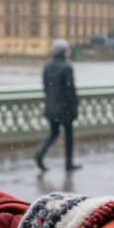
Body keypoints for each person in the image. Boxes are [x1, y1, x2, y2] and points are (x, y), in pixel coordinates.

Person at [35, 39, 81, 172]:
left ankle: (40, 152)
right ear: (64, 52)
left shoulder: (47, 66)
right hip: (65, 109)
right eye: (68, 50)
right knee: (69, 135)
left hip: (51, 107)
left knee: (53, 133)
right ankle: (69, 164)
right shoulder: (67, 67)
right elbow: (71, 90)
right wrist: (74, 107)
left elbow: (45, 87)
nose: (69, 52)